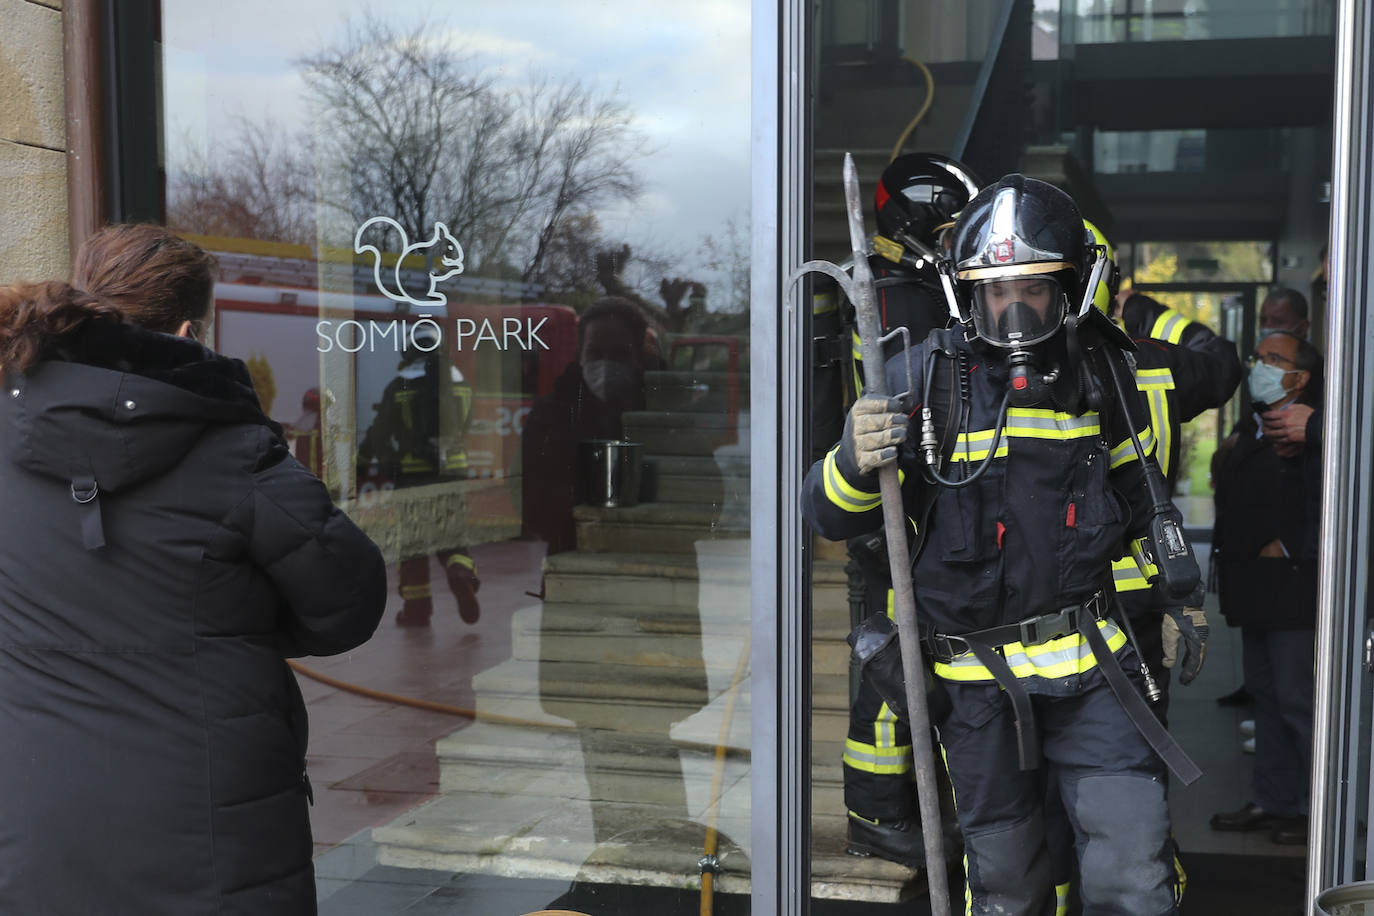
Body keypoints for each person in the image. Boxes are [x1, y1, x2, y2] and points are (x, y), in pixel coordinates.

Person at [804, 175, 1195, 915]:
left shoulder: (1103, 373)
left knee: (1132, 878)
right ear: (967, 294)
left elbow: (1144, 500)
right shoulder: (923, 380)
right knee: (1008, 886)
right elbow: (826, 517)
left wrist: (1173, 593)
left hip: (1096, 677)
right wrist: (853, 459)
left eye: (1035, 290)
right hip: (976, 690)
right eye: (996, 291)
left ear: (1069, 289)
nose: (1015, 309)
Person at [0, 224, 387, 914]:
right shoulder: (232, 447)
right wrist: (228, 615)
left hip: (37, 808)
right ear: (188, 331)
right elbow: (348, 599)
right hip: (214, 824)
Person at [811, 152, 979, 868]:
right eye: (947, 230)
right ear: (912, 225)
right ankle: (875, 814)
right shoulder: (889, 299)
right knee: (888, 664)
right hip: (888, 513)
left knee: (918, 659)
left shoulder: (923, 289)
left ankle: (905, 804)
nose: (956, 244)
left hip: (932, 510)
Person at [1209, 330, 1322, 846]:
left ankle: (1316, 810)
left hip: (1293, 588)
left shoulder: (1321, 428)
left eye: (1275, 360)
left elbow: (1328, 499)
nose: (1261, 366)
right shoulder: (1255, 424)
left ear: (1299, 378)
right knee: (1267, 697)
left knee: (1300, 702)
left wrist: (1292, 547)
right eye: (1260, 356)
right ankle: (1273, 799)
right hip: (1254, 588)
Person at [358, 326, 480, 626]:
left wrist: (362, 461)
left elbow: (380, 431)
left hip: (412, 476)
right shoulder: (460, 383)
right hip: (451, 473)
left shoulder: (400, 385)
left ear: (408, 351)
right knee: (450, 533)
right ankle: (459, 570)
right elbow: (466, 425)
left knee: (412, 545)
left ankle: (417, 609)